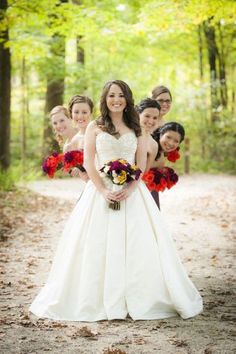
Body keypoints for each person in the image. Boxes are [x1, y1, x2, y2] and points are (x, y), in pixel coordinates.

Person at [29, 80, 203, 321]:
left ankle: (140, 295)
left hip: (133, 193)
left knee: (138, 244)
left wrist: (131, 188)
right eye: (112, 95)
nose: (116, 99)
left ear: (127, 98)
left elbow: (141, 162)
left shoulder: (136, 126)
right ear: (105, 98)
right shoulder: (95, 126)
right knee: (94, 245)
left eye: (121, 95)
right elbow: (89, 162)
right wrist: (102, 190)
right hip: (100, 190)